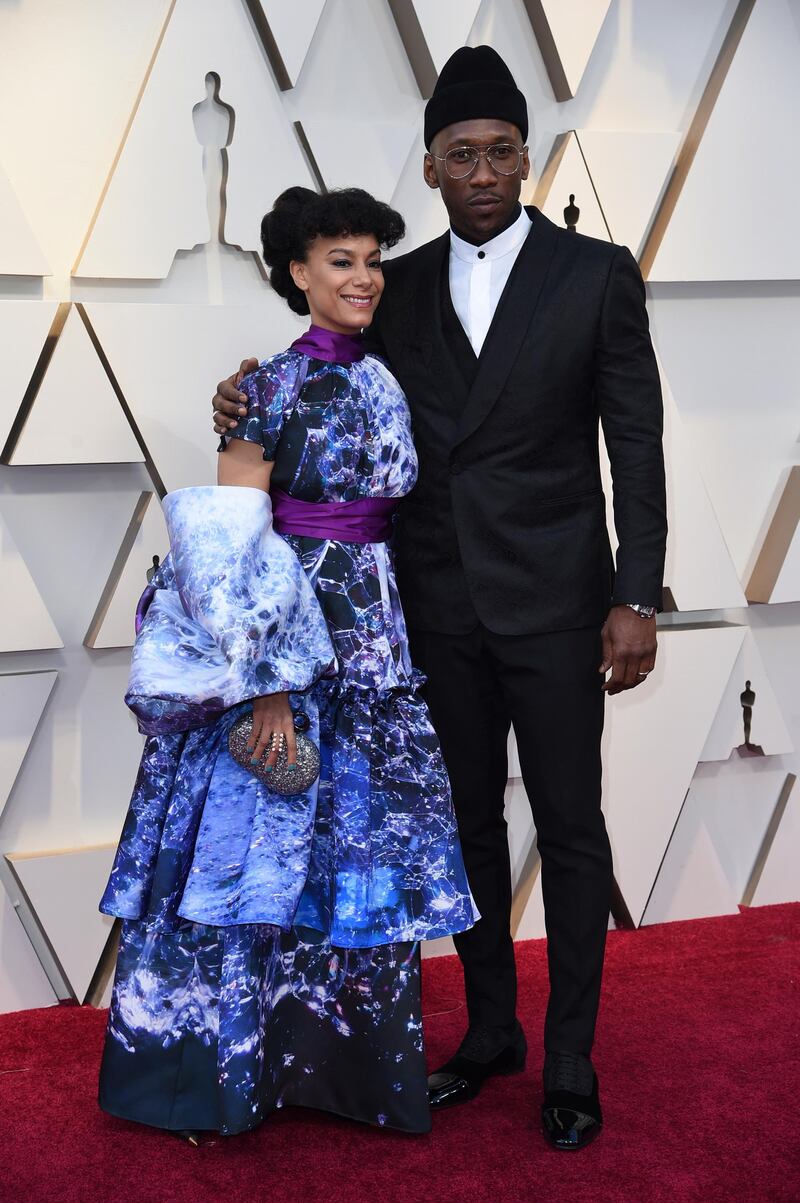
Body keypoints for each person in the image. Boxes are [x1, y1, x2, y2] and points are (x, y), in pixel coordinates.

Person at [213, 47, 667, 1151]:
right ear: (429, 168)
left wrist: (635, 595)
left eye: (501, 151)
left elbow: (634, 444)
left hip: (560, 605)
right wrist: (240, 394)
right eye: (460, 154)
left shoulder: (595, 273)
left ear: (526, 157)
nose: (482, 170)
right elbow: (316, 369)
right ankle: (491, 1035)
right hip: (432, 610)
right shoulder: (393, 284)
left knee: (569, 830)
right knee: (460, 828)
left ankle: (568, 1059)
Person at [98, 186, 477, 1142]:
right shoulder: (264, 386)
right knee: (254, 849)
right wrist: (267, 685)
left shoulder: (384, 375)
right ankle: (217, 1074)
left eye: (370, 259)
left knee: (355, 849)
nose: (361, 277)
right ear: (298, 274)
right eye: (339, 261)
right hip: (292, 637)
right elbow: (234, 542)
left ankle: (344, 1067)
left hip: (375, 637)